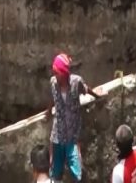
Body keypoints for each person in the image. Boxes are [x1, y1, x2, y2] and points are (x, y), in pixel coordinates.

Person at [47, 53, 96, 183]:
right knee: (55, 173)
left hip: (73, 135)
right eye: (54, 72)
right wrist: (48, 112)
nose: (55, 75)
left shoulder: (76, 82)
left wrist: (97, 95)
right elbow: (53, 98)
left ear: (64, 73)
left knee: (77, 173)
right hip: (58, 134)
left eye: (57, 73)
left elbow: (86, 89)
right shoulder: (53, 83)